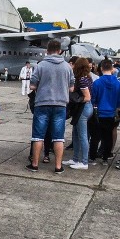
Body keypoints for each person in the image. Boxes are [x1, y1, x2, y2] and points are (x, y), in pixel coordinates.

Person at [26, 39, 74, 174]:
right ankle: (58, 166)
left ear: (47, 51)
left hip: (42, 103)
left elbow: (32, 86)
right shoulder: (67, 67)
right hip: (60, 105)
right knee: (59, 137)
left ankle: (34, 164)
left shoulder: (40, 66)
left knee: (38, 136)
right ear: (60, 51)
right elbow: (71, 88)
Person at [89, 59, 120, 165]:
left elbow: (93, 98)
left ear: (101, 68)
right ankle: (105, 157)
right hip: (111, 112)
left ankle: (92, 157)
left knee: (95, 136)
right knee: (108, 136)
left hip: (99, 112)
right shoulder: (118, 83)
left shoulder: (97, 82)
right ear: (112, 69)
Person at [65, 58, 93, 169]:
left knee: (82, 136)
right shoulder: (87, 78)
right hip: (84, 108)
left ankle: (84, 162)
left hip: (83, 108)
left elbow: (87, 97)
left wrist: (76, 99)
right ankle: (76, 159)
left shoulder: (81, 80)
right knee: (76, 135)